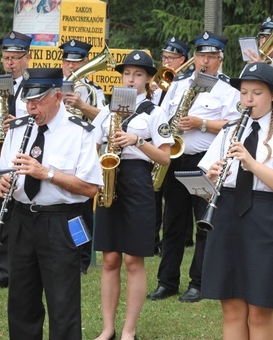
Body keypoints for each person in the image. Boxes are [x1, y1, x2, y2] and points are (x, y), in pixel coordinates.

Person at [198, 62, 273, 339]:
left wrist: (252, 163)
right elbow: (206, 184)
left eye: (256, 93)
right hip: (226, 216)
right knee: (231, 307)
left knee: (259, 310)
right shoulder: (228, 130)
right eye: (244, 92)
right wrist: (210, 177)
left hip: (265, 217)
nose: (248, 99)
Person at [0, 68, 102, 339]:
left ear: (57, 96)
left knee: (62, 302)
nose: (31, 108)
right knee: (21, 301)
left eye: (38, 101)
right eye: (28, 102)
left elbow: (90, 188)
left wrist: (47, 174)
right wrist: (4, 183)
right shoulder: (19, 128)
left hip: (60, 221)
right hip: (21, 218)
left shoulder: (81, 132)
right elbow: (8, 170)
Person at [148, 31, 240, 303]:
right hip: (176, 157)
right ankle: (167, 282)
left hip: (206, 161)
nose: (205, 61)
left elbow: (235, 126)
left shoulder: (228, 88)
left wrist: (201, 124)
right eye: (201, 55)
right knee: (173, 222)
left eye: (211, 57)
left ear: (220, 59)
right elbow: (163, 117)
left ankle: (198, 283)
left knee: (203, 223)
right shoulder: (179, 83)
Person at [91, 50, 173, 340]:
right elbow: (93, 144)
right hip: (108, 180)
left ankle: (129, 329)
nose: (131, 78)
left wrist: (137, 141)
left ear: (149, 79)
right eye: (127, 73)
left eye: (138, 74)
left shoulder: (155, 112)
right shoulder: (108, 109)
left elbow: (165, 158)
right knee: (110, 258)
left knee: (133, 260)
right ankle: (108, 328)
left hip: (137, 182)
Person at [0, 31, 32, 290]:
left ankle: (22, 271)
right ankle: (1, 274)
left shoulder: (36, 86)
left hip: (25, 158)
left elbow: (41, 119)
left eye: (14, 58)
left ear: (27, 57)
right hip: (1, 158)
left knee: (22, 220)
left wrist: (19, 122)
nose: (9, 63)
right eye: (5, 58)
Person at [59, 39, 107, 275]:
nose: (70, 65)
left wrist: (81, 105)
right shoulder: (53, 86)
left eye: (76, 61)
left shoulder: (93, 90)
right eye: (67, 61)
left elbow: (103, 117)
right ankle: (62, 251)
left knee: (82, 209)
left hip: (83, 150)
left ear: (85, 62)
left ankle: (82, 258)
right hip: (59, 150)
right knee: (61, 204)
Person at [152, 37, 191, 255]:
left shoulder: (182, 83)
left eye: (171, 58)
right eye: (164, 57)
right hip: (158, 141)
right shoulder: (161, 83)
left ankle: (186, 237)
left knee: (177, 200)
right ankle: (154, 240)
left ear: (182, 59)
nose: (166, 62)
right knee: (157, 192)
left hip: (179, 146)